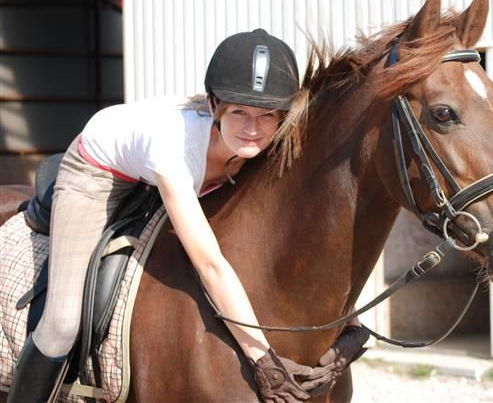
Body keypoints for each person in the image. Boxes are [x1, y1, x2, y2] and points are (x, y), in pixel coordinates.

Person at [7, 29, 368, 403]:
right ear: (214, 106)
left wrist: (350, 318)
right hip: (97, 172)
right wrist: (263, 360)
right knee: (63, 323)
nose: (252, 128)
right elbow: (210, 265)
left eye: (266, 115)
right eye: (239, 112)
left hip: (192, 166)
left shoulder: (267, 136)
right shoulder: (173, 148)